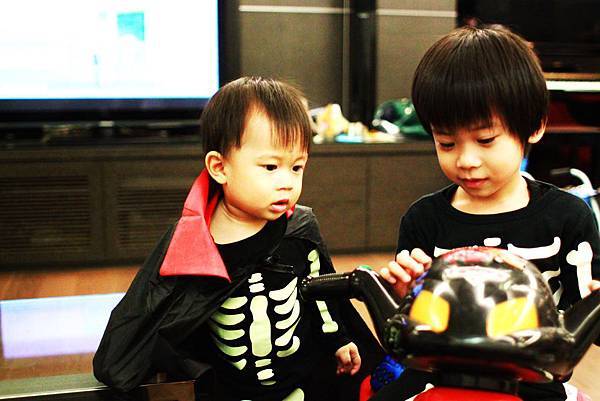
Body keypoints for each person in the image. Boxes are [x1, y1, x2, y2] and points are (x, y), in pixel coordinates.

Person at [93, 76, 382, 401]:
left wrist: (338, 339)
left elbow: (320, 290)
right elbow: (152, 325)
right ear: (220, 167)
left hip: (303, 384)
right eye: (270, 166)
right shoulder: (191, 245)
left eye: (297, 167)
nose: (287, 182)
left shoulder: (299, 227)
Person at [376, 26, 600, 401]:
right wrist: (402, 299)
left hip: (533, 384)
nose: (466, 160)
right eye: (447, 142)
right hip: (437, 380)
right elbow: (404, 340)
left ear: (534, 126)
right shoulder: (423, 219)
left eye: (485, 140)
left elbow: (579, 333)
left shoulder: (567, 217)